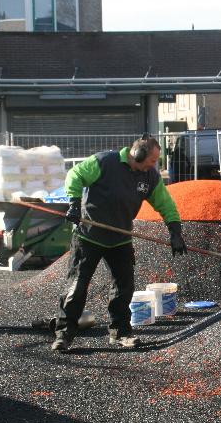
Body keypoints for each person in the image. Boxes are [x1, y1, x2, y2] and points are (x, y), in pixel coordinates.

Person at [52, 134, 187, 352]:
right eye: (153, 160)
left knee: (123, 288)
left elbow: (165, 204)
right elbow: (75, 175)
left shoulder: (149, 177)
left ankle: (121, 333)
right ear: (139, 154)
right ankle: (64, 334)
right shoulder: (105, 162)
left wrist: (175, 232)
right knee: (76, 287)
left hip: (120, 238)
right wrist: (74, 204)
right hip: (89, 235)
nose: (155, 165)